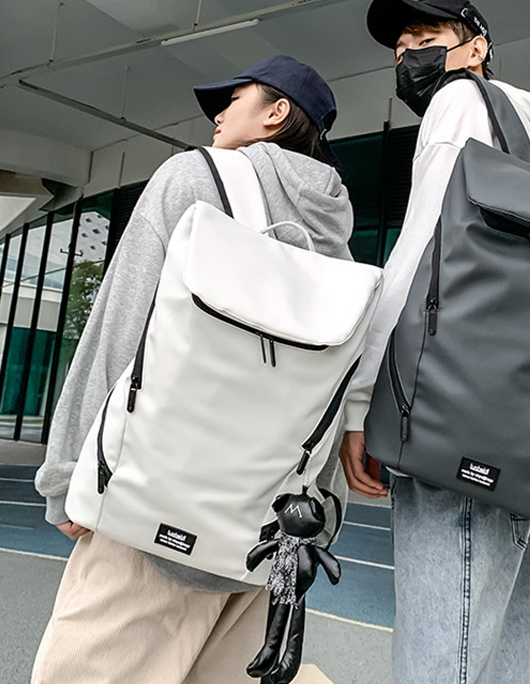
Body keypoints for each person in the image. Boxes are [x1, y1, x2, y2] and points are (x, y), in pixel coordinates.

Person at [33, 55, 352, 684]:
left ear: (275, 112)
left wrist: (69, 473)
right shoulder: (332, 229)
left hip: (157, 496)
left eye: (232, 100)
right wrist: (322, 509)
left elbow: (123, 324)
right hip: (268, 523)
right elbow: (334, 381)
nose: (218, 116)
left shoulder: (194, 176)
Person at [339, 0, 530, 683]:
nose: (408, 55)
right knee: (498, 642)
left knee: (441, 647)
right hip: (521, 417)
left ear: (476, 48)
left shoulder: (457, 102)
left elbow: (421, 253)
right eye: (400, 47)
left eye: (426, 37)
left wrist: (363, 402)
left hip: (449, 408)